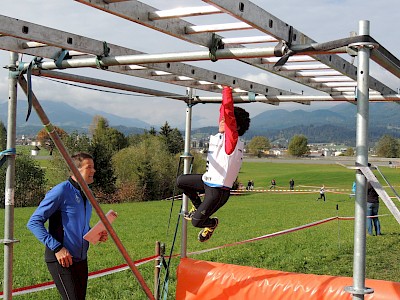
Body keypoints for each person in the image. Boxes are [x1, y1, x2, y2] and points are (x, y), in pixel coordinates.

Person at [27, 152, 108, 300]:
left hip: (81, 259)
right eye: (89, 167)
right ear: (76, 170)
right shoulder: (61, 191)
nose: (93, 171)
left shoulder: (87, 193)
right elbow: (33, 222)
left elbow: (78, 225)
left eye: (93, 167)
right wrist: (57, 248)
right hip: (61, 258)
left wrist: (95, 233)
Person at [176, 86, 250, 242]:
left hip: (218, 191)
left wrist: (227, 90)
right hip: (207, 181)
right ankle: (197, 206)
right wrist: (224, 99)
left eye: (226, 120)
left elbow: (228, 112)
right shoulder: (221, 136)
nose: (222, 121)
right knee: (181, 181)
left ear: (235, 127)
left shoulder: (232, 141)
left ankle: (211, 223)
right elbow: (224, 111)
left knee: (196, 222)